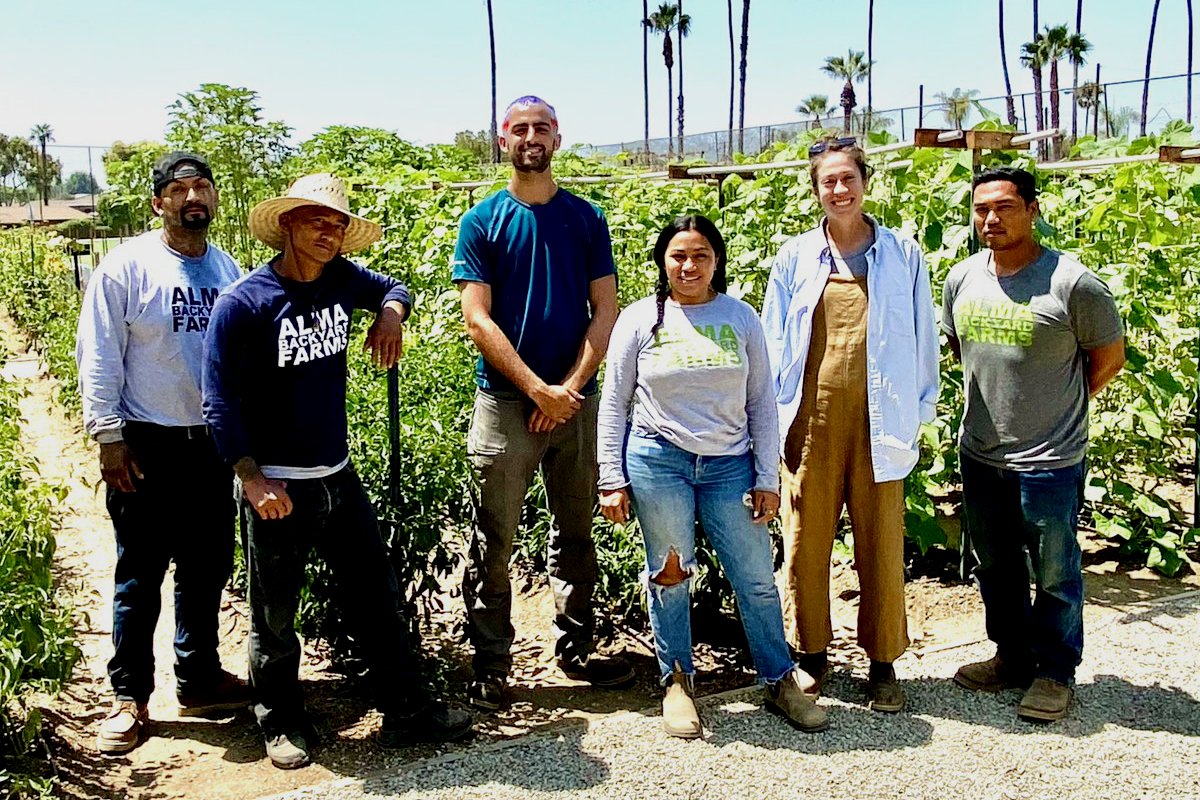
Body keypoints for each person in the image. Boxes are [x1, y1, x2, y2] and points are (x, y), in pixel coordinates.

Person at [202, 173, 472, 769]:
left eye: (338, 224)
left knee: (377, 598)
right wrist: (251, 477)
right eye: (317, 220)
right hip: (277, 485)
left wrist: (391, 314)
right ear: (288, 226)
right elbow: (218, 399)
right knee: (274, 615)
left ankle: (407, 709)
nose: (330, 232)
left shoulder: (342, 280)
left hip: (338, 477)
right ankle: (279, 719)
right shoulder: (245, 303)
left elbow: (393, 286)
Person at [597, 215, 827, 738]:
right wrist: (611, 477)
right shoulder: (640, 320)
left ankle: (778, 678)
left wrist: (767, 476)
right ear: (663, 261)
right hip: (659, 460)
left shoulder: (740, 317)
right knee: (669, 573)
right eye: (678, 255)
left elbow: (762, 404)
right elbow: (613, 404)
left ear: (716, 260)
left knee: (754, 578)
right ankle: (677, 680)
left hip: (730, 466)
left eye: (700, 255)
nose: (689, 265)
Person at [452, 95, 632, 711]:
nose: (531, 137)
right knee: (492, 537)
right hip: (506, 405)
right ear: (503, 141)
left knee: (576, 530)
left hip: (574, 405)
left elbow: (605, 309)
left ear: (558, 138)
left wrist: (570, 391)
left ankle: (577, 649)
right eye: (519, 129)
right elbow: (477, 318)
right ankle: (492, 663)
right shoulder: (482, 222)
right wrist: (537, 390)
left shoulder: (586, 219)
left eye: (541, 128)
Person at [76, 151, 249, 755]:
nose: (192, 197)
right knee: (140, 573)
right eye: (180, 190)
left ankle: (199, 676)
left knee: (206, 568)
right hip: (145, 442)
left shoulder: (227, 269)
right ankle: (129, 696)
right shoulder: (126, 269)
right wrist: (109, 436)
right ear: (159, 203)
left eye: (203, 186)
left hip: (211, 444)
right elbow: (98, 353)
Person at [760, 136, 939, 713]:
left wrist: (919, 411)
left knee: (881, 539)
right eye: (827, 181)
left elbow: (922, 339)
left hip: (881, 422)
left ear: (865, 182)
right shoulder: (795, 258)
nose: (839, 190)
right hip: (810, 421)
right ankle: (811, 654)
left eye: (847, 178)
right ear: (815, 190)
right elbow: (771, 342)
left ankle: (883, 662)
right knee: (806, 539)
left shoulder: (903, 255)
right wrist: (768, 421)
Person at [945, 167, 1124, 722]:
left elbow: (1108, 359)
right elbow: (960, 350)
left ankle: (1055, 670)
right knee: (995, 564)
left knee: (1054, 567)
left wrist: (1057, 409)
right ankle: (1012, 656)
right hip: (980, 452)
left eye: (1004, 207)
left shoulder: (1073, 284)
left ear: (1033, 209)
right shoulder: (963, 277)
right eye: (981, 210)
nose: (991, 219)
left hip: (1049, 459)